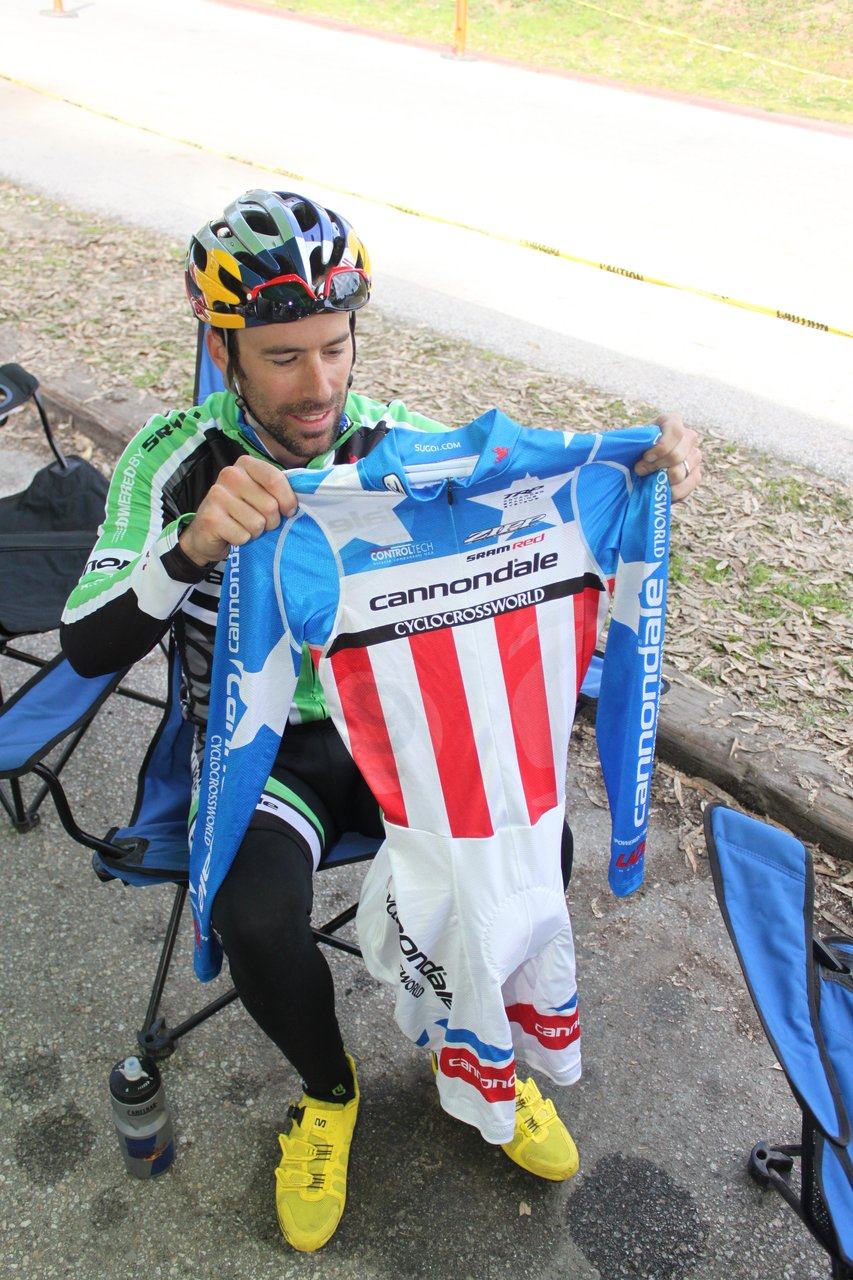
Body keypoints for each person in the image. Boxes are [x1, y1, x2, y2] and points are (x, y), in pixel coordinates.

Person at [61, 189, 702, 1252]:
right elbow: (84, 641)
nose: (318, 386)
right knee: (258, 916)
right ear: (223, 350)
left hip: (398, 718)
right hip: (265, 744)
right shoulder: (174, 455)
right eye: (282, 357)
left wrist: (635, 466)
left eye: (336, 345)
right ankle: (328, 1087)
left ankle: (480, 1052)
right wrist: (188, 548)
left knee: (543, 835)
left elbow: (525, 509)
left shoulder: (393, 441)